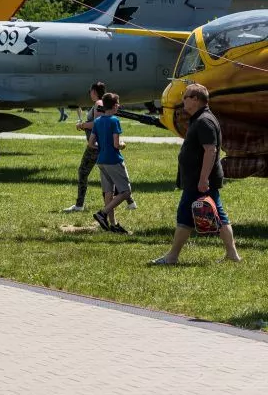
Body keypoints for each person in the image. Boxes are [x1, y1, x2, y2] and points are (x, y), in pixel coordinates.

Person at [151, 84, 241, 265]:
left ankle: (172, 256)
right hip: (200, 179)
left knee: (185, 215)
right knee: (218, 215)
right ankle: (232, 255)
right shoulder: (199, 118)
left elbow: (211, 150)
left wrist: (202, 179)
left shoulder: (204, 121)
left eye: (186, 96)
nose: (183, 99)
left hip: (199, 180)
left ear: (196, 99)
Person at [90, 93, 133, 235]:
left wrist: (102, 147)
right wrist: (122, 145)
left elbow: (91, 143)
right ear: (114, 106)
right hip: (114, 160)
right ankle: (102, 213)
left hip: (101, 161)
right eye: (118, 104)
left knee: (108, 192)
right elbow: (116, 144)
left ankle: (113, 224)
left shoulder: (97, 121)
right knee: (126, 192)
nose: (119, 106)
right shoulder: (114, 120)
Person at [63, 81, 105, 213]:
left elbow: (97, 124)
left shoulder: (98, 103)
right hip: (100, 145)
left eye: (90, 91)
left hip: (94, 146)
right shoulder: (102, 103)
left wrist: (82, 125)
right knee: (110, 175)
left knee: (82, 172)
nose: (90, 94)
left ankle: (79, 205)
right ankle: (130, 201)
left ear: (94, 91)